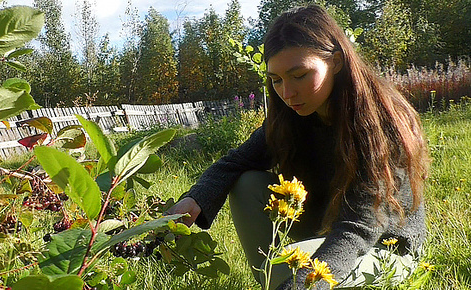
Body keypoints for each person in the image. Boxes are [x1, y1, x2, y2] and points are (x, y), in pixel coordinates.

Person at [166, 4, 430, 290]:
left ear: (337, 62)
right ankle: (275, 282)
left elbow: (359, 228)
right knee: (246, 182)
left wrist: (304, 281)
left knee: (296, 272)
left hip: (383, 249)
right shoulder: (291, 116)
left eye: (300, 75)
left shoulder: (380, 122)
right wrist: (192, 201)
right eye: (276, 80)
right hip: (324, 233)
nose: (287, 93)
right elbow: (234, 163)